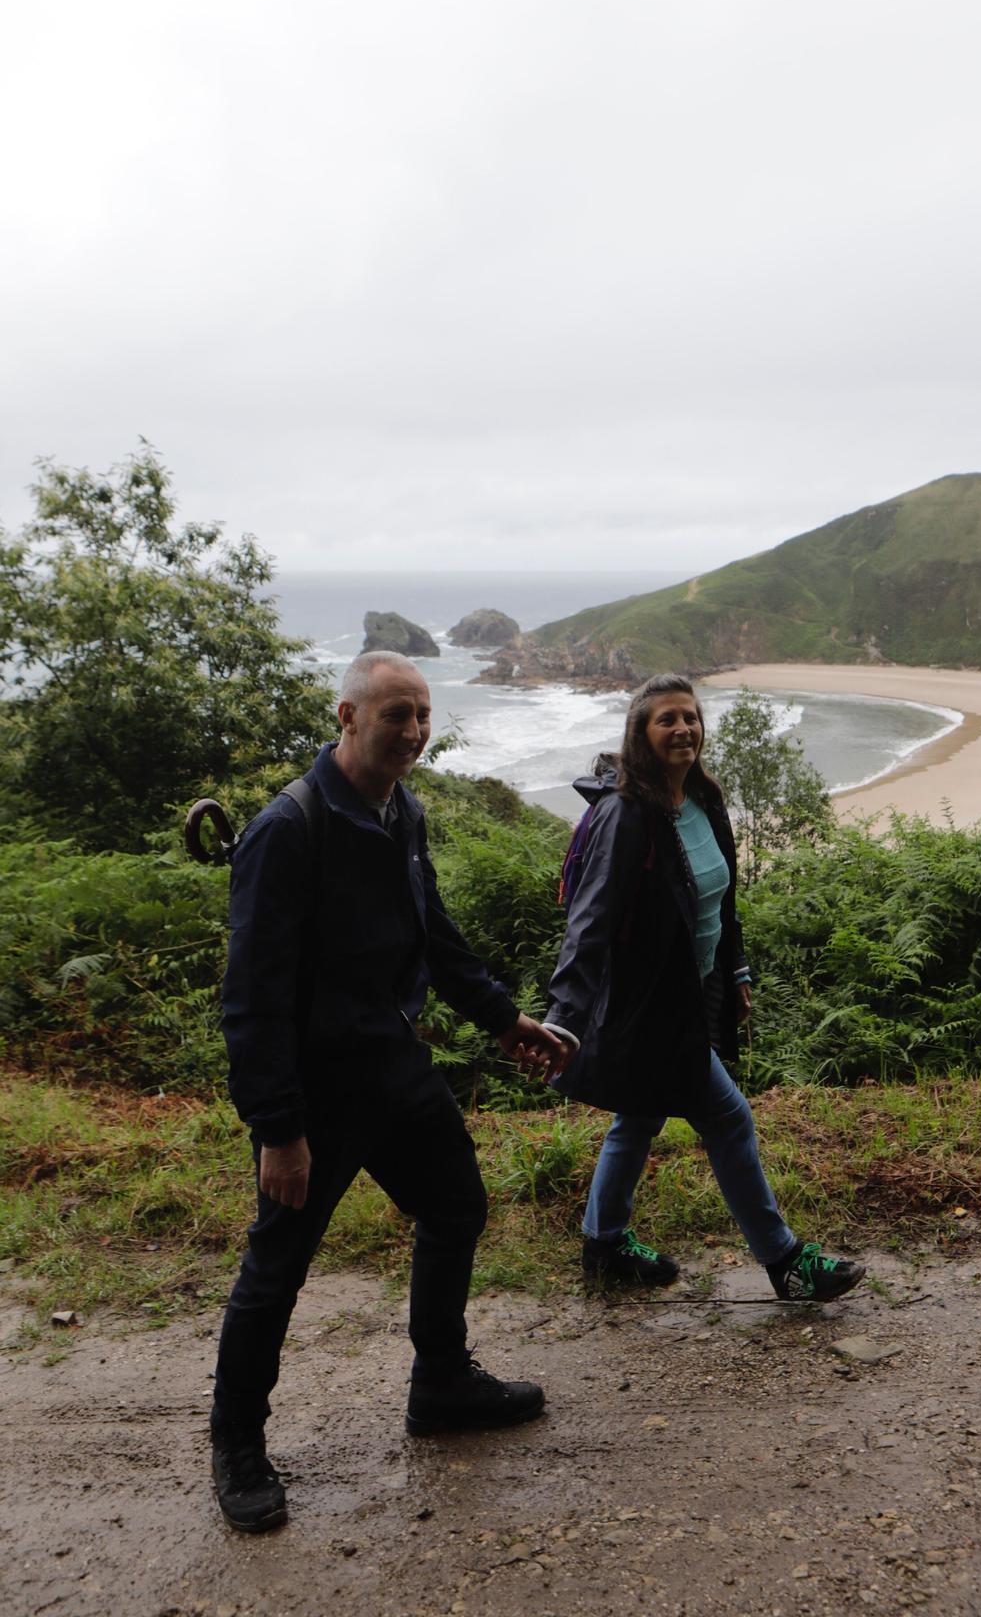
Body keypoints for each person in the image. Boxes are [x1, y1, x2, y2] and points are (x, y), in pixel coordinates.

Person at [210, 651, 569, 1534]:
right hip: (317, 1089)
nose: (412, 731)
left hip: (395, 1065)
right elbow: (251, 995)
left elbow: (432, 934)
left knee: (456, 1207)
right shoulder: (288, 829)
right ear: (347, 717)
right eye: (394, 715)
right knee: (278, 1266)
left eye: (421, 715)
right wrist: (277, 1127)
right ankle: (236, 1445)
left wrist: (502, 1017)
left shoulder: (399, 808)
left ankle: (440, 1382)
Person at [546, 673, 866, 1303]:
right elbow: (590, 922)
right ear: (641, 733)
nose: (682, 729)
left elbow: (720, 902)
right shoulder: (627, 815)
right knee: (728, 1118)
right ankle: (785, 1263)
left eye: (690, 718)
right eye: (666, 719)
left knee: (638, 1117)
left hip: (698, 991)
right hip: (653, 1006)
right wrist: (564, 1017)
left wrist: (736, 971)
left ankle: (604, 1244)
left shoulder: (701, 799)